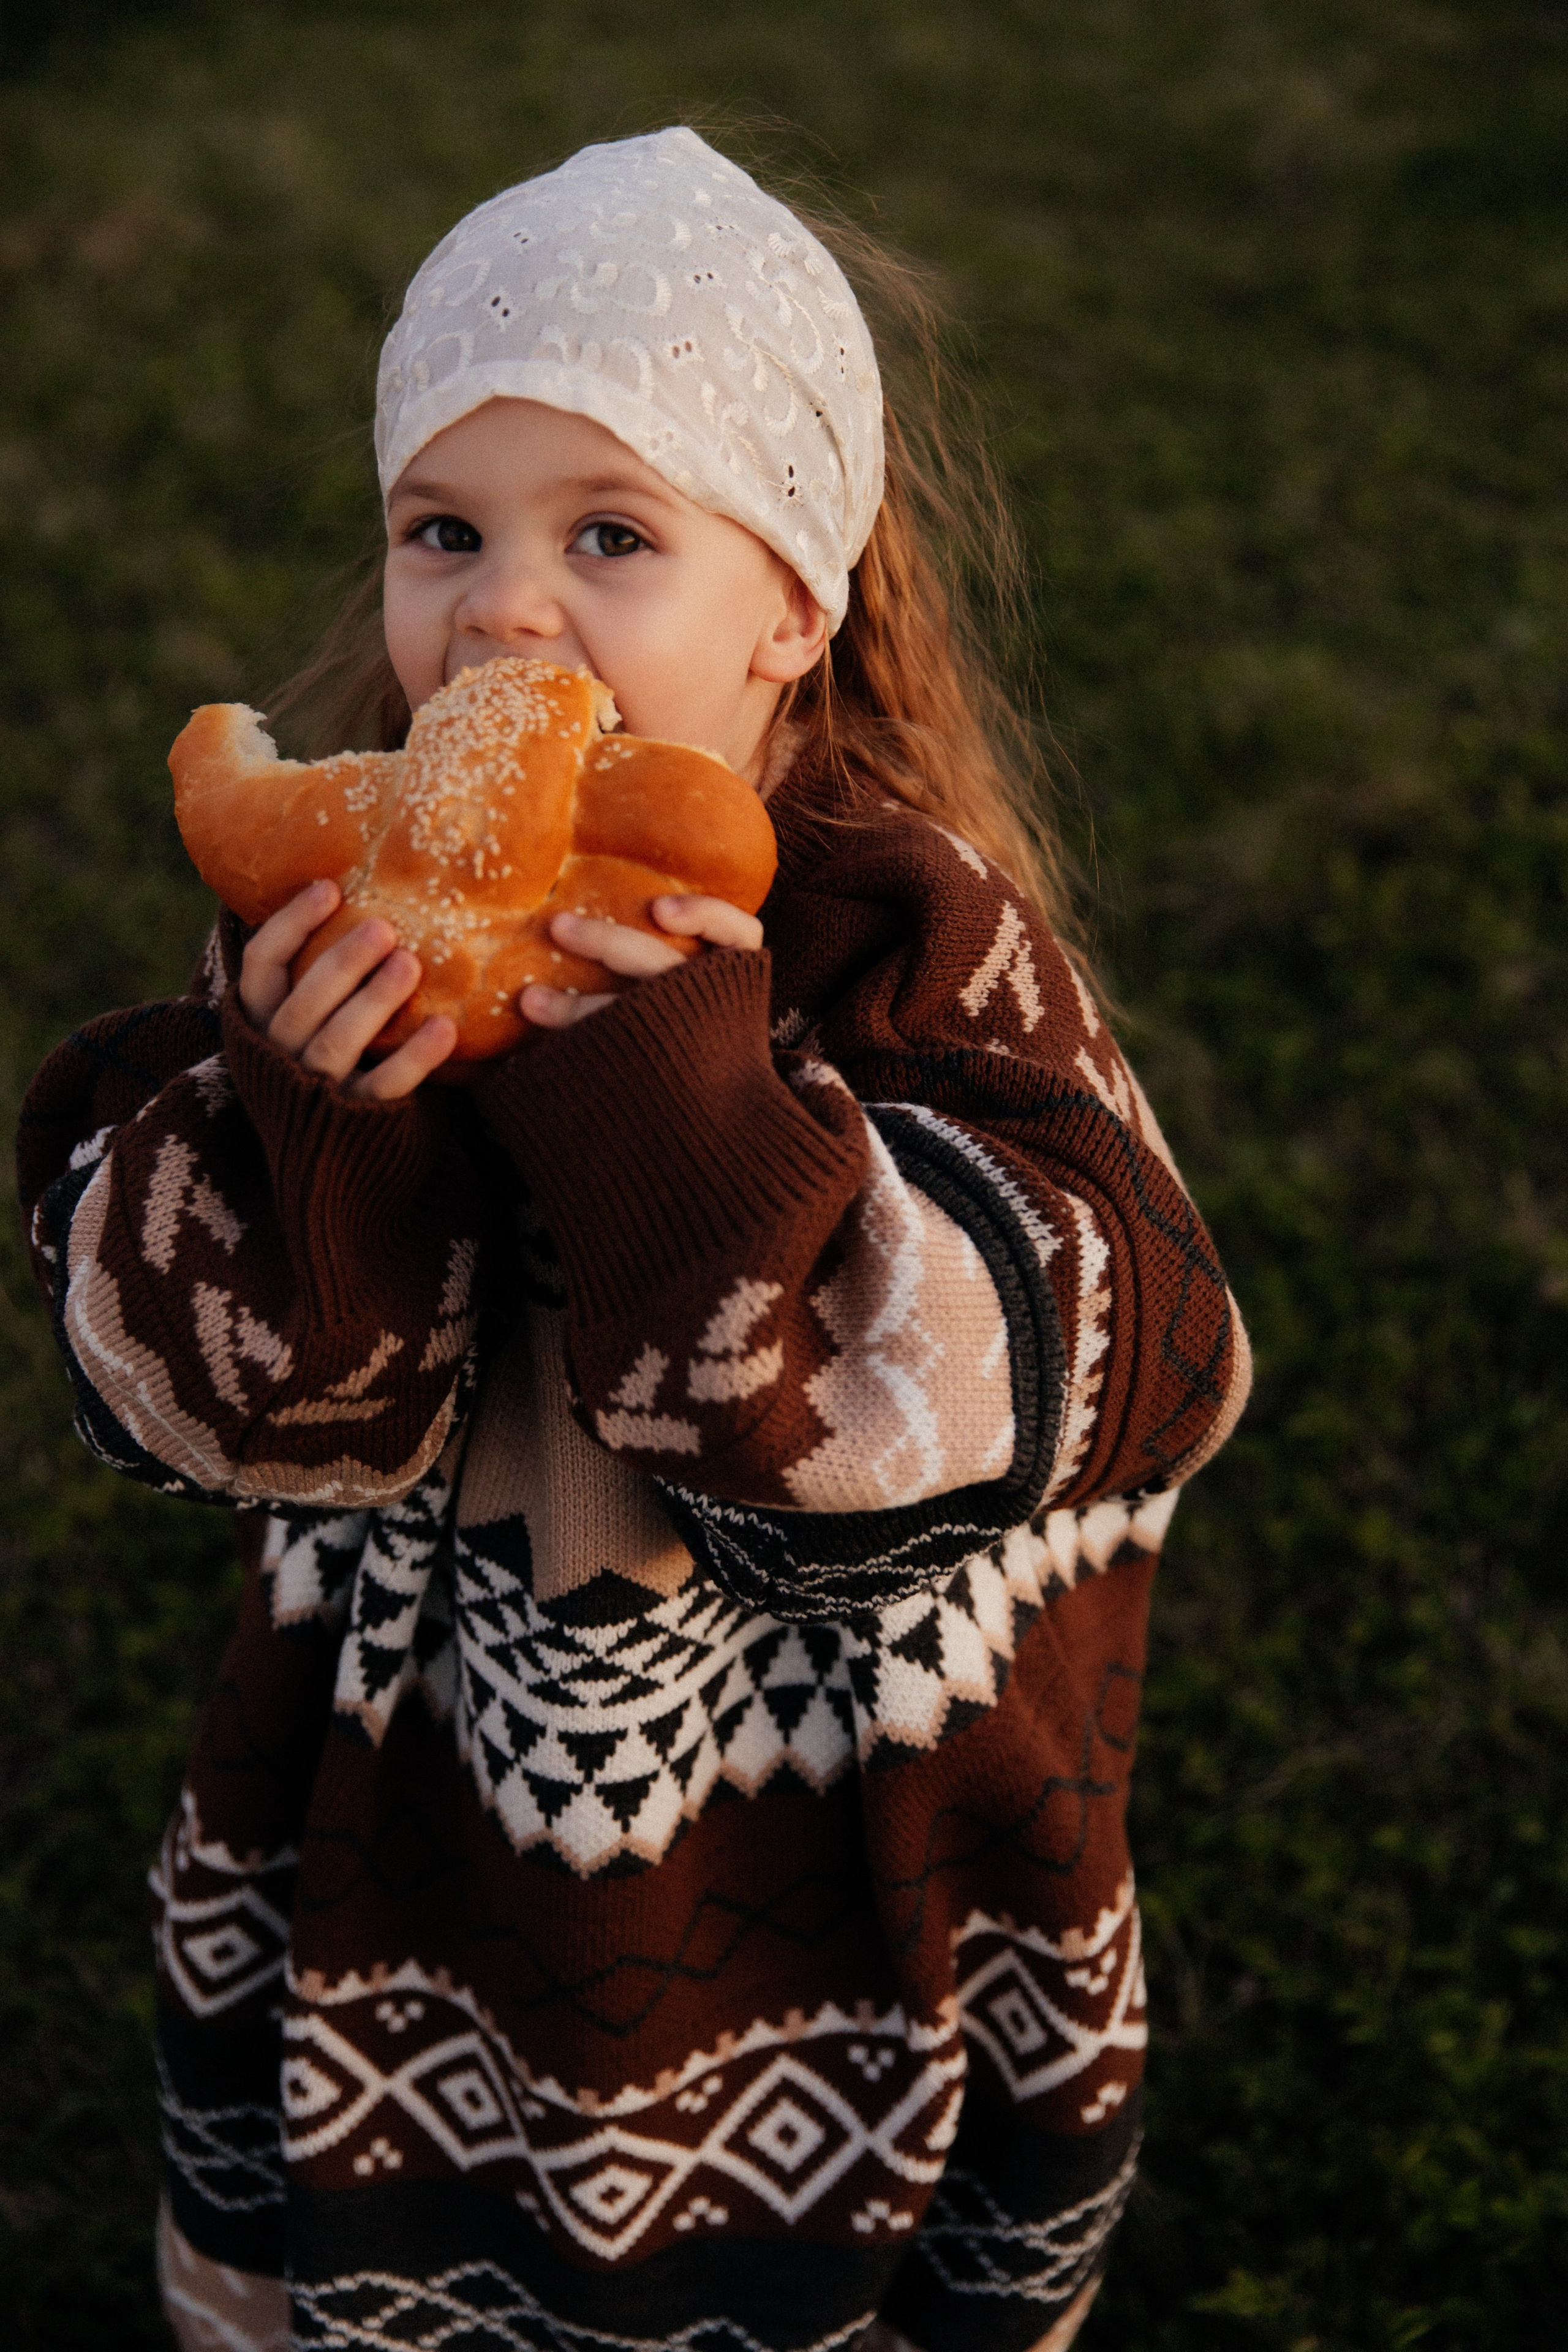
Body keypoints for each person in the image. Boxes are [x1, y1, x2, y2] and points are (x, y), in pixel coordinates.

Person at [18, 127, 1250, 2352]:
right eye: (442, 532)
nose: (499, 605)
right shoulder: (338, 943)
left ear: (795, 600)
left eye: (609, 533)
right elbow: (227, 1414)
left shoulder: (918, 948)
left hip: (833, 1860)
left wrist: (682, 1114)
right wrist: (319, 1128)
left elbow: (1145, 1359)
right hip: (417, 1836)